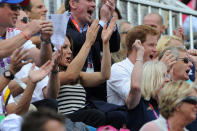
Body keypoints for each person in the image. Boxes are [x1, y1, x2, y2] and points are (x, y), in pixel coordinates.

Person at [65, 0, 120, 101]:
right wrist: (102, 21)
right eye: (89, 0)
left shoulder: (94, 25)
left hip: (97, 88)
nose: (94, 5)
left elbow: (114, 47)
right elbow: (77, 41)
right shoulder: (62, 23)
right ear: (73, 4)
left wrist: (109, 20)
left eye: (94, 1)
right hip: (75, 89)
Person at [107, 25, 158, 106]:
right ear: (137, 46)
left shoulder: (152, 69)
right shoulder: (118, 69)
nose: (156, 50)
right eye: (151, 45)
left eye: (156, 45)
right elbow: (133, 97)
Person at [0, 0, 53, 72]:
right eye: (14, 7)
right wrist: (29, 31)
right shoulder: (22, 34)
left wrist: (45, 40)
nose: (18, 13)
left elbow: (42, 62)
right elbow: (1, 50)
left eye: (19, 8)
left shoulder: (15, 33)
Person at [126, 61, 170, 130]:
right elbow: (135, 87)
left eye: (167, 76)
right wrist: (140, 54)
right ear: (150, 79)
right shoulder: (138, 103)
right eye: (163, 76)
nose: (168, 80)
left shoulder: (165, 105)